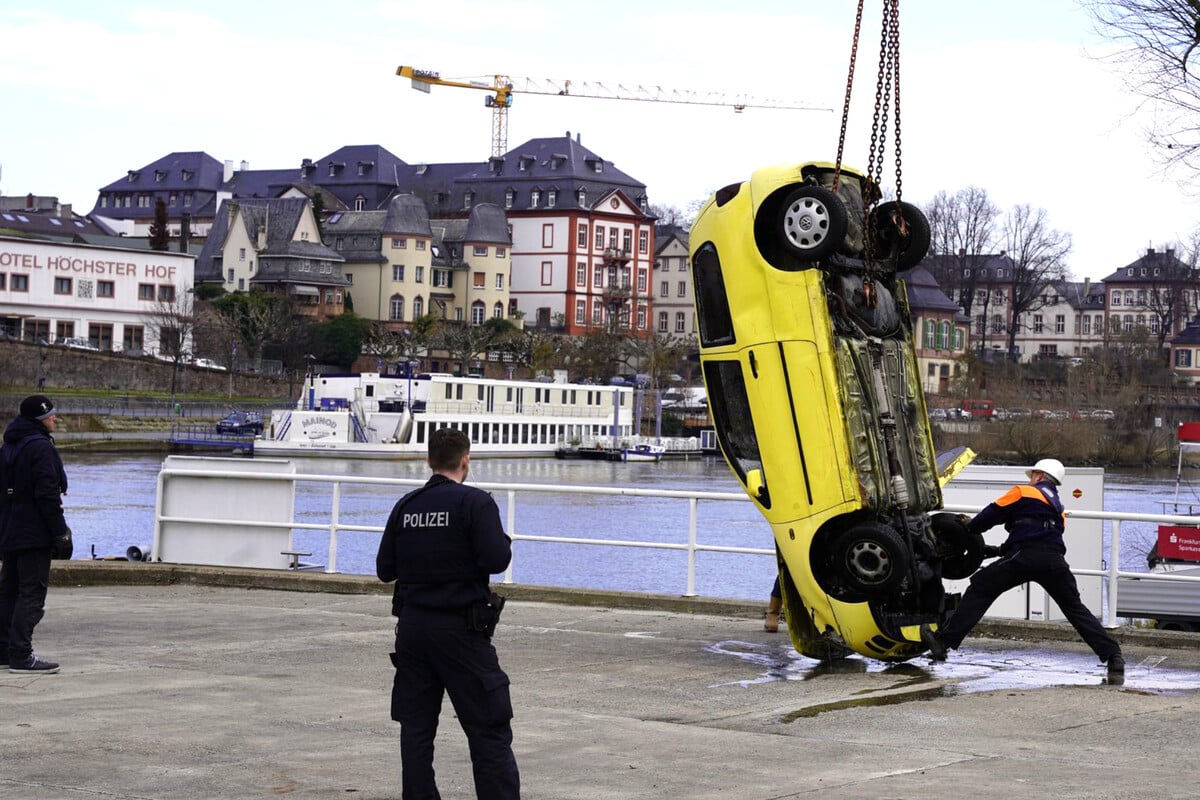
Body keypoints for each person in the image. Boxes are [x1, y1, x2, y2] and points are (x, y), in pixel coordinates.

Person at [376, 427, 520, 800]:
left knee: (416, 729)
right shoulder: (475, 503)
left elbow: (384, 569)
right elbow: (496, 559)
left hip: (412, 630)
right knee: (489, 728)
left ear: (429, 461)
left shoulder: (406, 506)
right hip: (461, 631)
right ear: (465, 460)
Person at [922, 458, 1125, 678]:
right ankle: (1114, 656)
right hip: (1055, 562)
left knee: (981, 586)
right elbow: (1039, 533)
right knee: (1076, 610)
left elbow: (990, 515)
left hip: (1024, 558)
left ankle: (943, 642)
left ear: (1039, 476)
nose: (1029, 480)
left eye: (1032, 476)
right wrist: (1000, 550)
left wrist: (965, 528)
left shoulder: (1023, 492)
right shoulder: (1058, 507)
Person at [0, 395, 69, 674]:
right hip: (34, 531)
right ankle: (21, 655)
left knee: (9, 591)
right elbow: (47, 494)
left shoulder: (9, 445)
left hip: (9, 529)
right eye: (50, 415)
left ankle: (4, 650)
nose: (54, 419)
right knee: (32, 593)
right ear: (40, 419)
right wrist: (60, 532)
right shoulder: (40, 447)